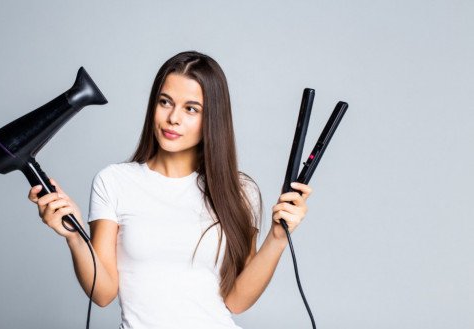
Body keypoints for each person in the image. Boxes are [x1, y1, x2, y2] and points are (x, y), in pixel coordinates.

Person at [28, 51, 312, 329]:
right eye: (165, 102)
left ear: (212, 118)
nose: (173, 118)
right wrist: (75, 237)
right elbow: (102, 293)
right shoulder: (114, 181)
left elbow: (236, 301)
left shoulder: (239, 190)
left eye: (191, 109)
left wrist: (277, 238)